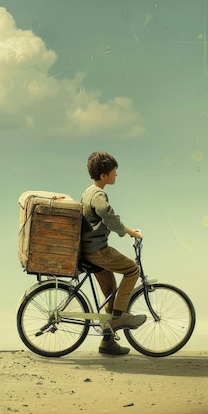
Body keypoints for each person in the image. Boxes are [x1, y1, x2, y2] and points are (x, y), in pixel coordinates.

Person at [81, 151, 146, 355]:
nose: (116, 175)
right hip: (98, 251)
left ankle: (107, 343)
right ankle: (119, 316)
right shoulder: (98, 195)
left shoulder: (87, 192)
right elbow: (105, 212)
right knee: (132, 270)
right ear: (103, 176)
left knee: (111, 295)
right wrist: (128, 232)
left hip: (89, 251)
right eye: (114, 171)